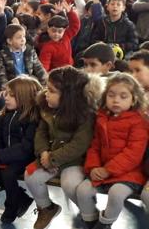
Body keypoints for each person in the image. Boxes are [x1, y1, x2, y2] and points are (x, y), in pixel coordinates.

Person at [24, 66, 100, 229]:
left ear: (68, 97)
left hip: (74, 161)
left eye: (51, 91)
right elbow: (41, 133)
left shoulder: (84, 114)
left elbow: (80, 144)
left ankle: (91, 217)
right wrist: (44, 153)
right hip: (48, 156)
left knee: (70, 185)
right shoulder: (47, 108)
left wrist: (53, 159)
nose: (46, 93)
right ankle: (47, 208)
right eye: (46, 88)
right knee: (31, 176)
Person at [76, 73, 148, 229]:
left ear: (133, 99)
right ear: (105, 97)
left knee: (116, 193)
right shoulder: (101, 118)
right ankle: (91, 221)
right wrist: (93, 167)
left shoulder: (138, 121)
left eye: (123, 97)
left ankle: (104, 224)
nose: (116, 100)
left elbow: (133, 154)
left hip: (129, 174)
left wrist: (108, 170)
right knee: (82, 191)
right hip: (102, 171)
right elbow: (95, 146)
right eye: (111, 95)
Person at [0, 76, 41, 223]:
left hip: (24, 158)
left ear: (24, 97)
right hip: (7, 156)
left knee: (8, 172)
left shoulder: (31, 118)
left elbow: (26, 147)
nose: (6, 98)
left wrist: (2, 155)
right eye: (6, 94)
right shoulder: (6, 115)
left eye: (11, 95)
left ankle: (11, 207)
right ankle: (21, 198)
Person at [38, 3, 80, 72]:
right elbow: (44, 66)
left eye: (60, 32)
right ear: (48, 29)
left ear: (64, 31)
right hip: (56, 74)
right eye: (53, 31)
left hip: (70, 69)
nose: (56, 34)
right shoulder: (47, 47)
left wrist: (70, 13)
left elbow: (75, 25)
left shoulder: (66, 36)